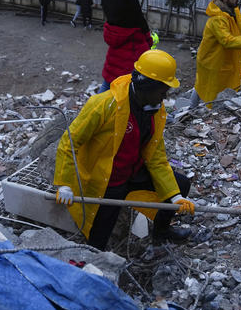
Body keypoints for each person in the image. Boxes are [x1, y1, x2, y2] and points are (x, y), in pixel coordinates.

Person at [54, 49, 195, 251]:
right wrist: (65, 184)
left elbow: (156, 157)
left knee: (181, 184)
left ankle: (161, 232)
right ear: (146, 86)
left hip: (134, 172)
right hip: (107, 180)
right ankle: (95, 260)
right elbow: (70, 142)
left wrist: (174, 197)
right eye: (163, 89)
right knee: (99, 234)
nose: (165, 95)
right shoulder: (104, 105)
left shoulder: (155, 109)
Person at [100, 0, 154, 93]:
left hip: (115, 51)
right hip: (133, 51)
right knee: (130, 94)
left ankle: (95, 112)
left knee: (107, 87)